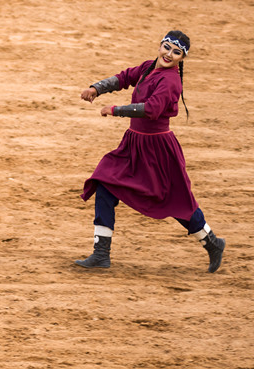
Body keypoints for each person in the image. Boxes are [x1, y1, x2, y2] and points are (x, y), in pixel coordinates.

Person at [76, 30, 226, 273]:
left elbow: (151, 109)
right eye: (167, 47)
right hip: (134, 144)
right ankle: (101, 253)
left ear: (182, 58)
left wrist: (115, 110)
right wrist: (97, 88)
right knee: (104, 183)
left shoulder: (170, 81)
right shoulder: (148, 67)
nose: (169, 54)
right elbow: (125, 77)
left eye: (176, 52)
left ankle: (212, 243)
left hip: (158, 150)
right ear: (160, 45)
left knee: (175, 201)